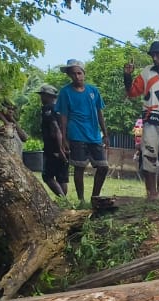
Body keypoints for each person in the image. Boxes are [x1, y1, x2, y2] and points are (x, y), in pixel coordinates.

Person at [55, 59, 109, 204]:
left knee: (103, 166)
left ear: (84, 73)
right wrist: (64, 138)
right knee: (79, 167)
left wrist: (105, 133)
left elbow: (99, 112)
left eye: (79, 73)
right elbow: (63, 117)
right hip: (76, 133)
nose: (77, 77)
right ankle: (81, 199)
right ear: (69, 76)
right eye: (73, 74)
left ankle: (95, 197)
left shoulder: (93, 91)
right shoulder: (65, 92)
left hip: (94, 134)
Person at [124, 40, 159, 200]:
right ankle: (151, 192)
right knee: (149, 154)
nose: (155, 57)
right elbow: (132, 92)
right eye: (153, 54)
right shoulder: (146, 72)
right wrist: (127, 75)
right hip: (151, 119)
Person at [36, 84, 68, 197]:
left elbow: (56, 128)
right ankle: (64, 202)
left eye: (42, 95)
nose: (41, 98)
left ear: (47, 96)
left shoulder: (48, 109)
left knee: (47, 176)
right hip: (65, 146)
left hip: (54, 148)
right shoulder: (62, 109)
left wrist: (59, 149)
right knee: (62, 178)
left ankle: (63, 199)